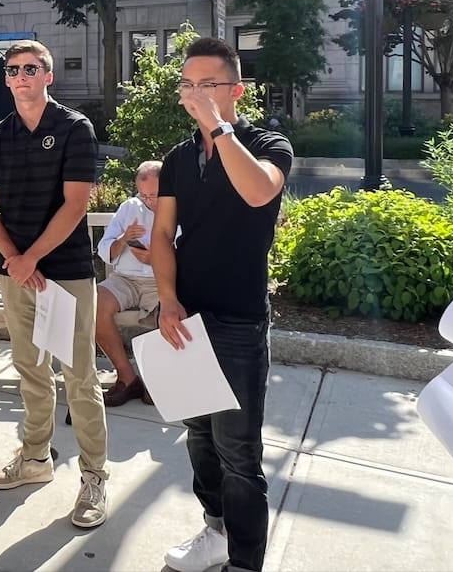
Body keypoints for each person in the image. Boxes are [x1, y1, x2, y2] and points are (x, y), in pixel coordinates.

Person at [150, 36, 293, 572]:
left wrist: (219, 127)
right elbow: (163, 235)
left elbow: (259, 192)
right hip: (186, 316)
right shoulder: (178, 159)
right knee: (199, 440)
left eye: (205, 84)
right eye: (187, 84)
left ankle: (245, 561)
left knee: (239, 454)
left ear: (235, 89)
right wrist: (166, 300)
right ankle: (214, 531)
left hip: (237, 321)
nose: (193, 93)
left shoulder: (268, 143)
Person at [0, 40, 109, 529]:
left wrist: (30, 258)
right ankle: (35, 459)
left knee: (79, 378)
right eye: (13, 70)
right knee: (30, 370)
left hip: (67, 273)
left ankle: (94, 475)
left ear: (48, 76)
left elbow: (75, 205)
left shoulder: (75, 128)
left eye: (31, 68)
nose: (21, 76)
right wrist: (16, 260)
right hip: (20, 274)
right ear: (7, 79)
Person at [93, 161, 164, 407]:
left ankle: (158, 381)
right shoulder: (129, 208)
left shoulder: (180, 207)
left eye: (153, 195)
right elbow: (104, 250)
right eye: (143, 195)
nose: (148, 200)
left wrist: (157, 256)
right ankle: (127, 378)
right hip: (125, 278)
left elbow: (191, 253)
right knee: (94, 304)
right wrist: (124, 240)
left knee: (174, 312)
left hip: (162, 280)